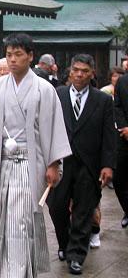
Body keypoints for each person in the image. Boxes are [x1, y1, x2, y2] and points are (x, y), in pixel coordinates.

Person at [0, 33, 72, 278]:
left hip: (31, 161)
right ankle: (17, 269)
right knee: (8, 218)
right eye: (9, 55)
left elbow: (53, 126)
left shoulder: (44, 89)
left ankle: (17, 271)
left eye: (18, 54)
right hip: (5, 160)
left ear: (30, 56)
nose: (13, 60)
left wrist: (53, 162)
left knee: (24, 218)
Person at [48, 54, 115, 275]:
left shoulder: (103, 100)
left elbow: (108, 136)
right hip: (61, 160)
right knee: (56, 206)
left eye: (84, 71)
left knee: (83, 211)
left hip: (89, 163)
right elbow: (47, 128)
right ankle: (64, 244)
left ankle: (76, 255)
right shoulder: (57, 95)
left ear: (92, 73)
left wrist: (108, 165)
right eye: (76, 69)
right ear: (69, 71)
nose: (79, 74)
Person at [114, 71, 128, 229]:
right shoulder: (123, 81)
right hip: (124, 138)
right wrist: (124, 127)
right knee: (118, 179)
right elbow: (117, 106)